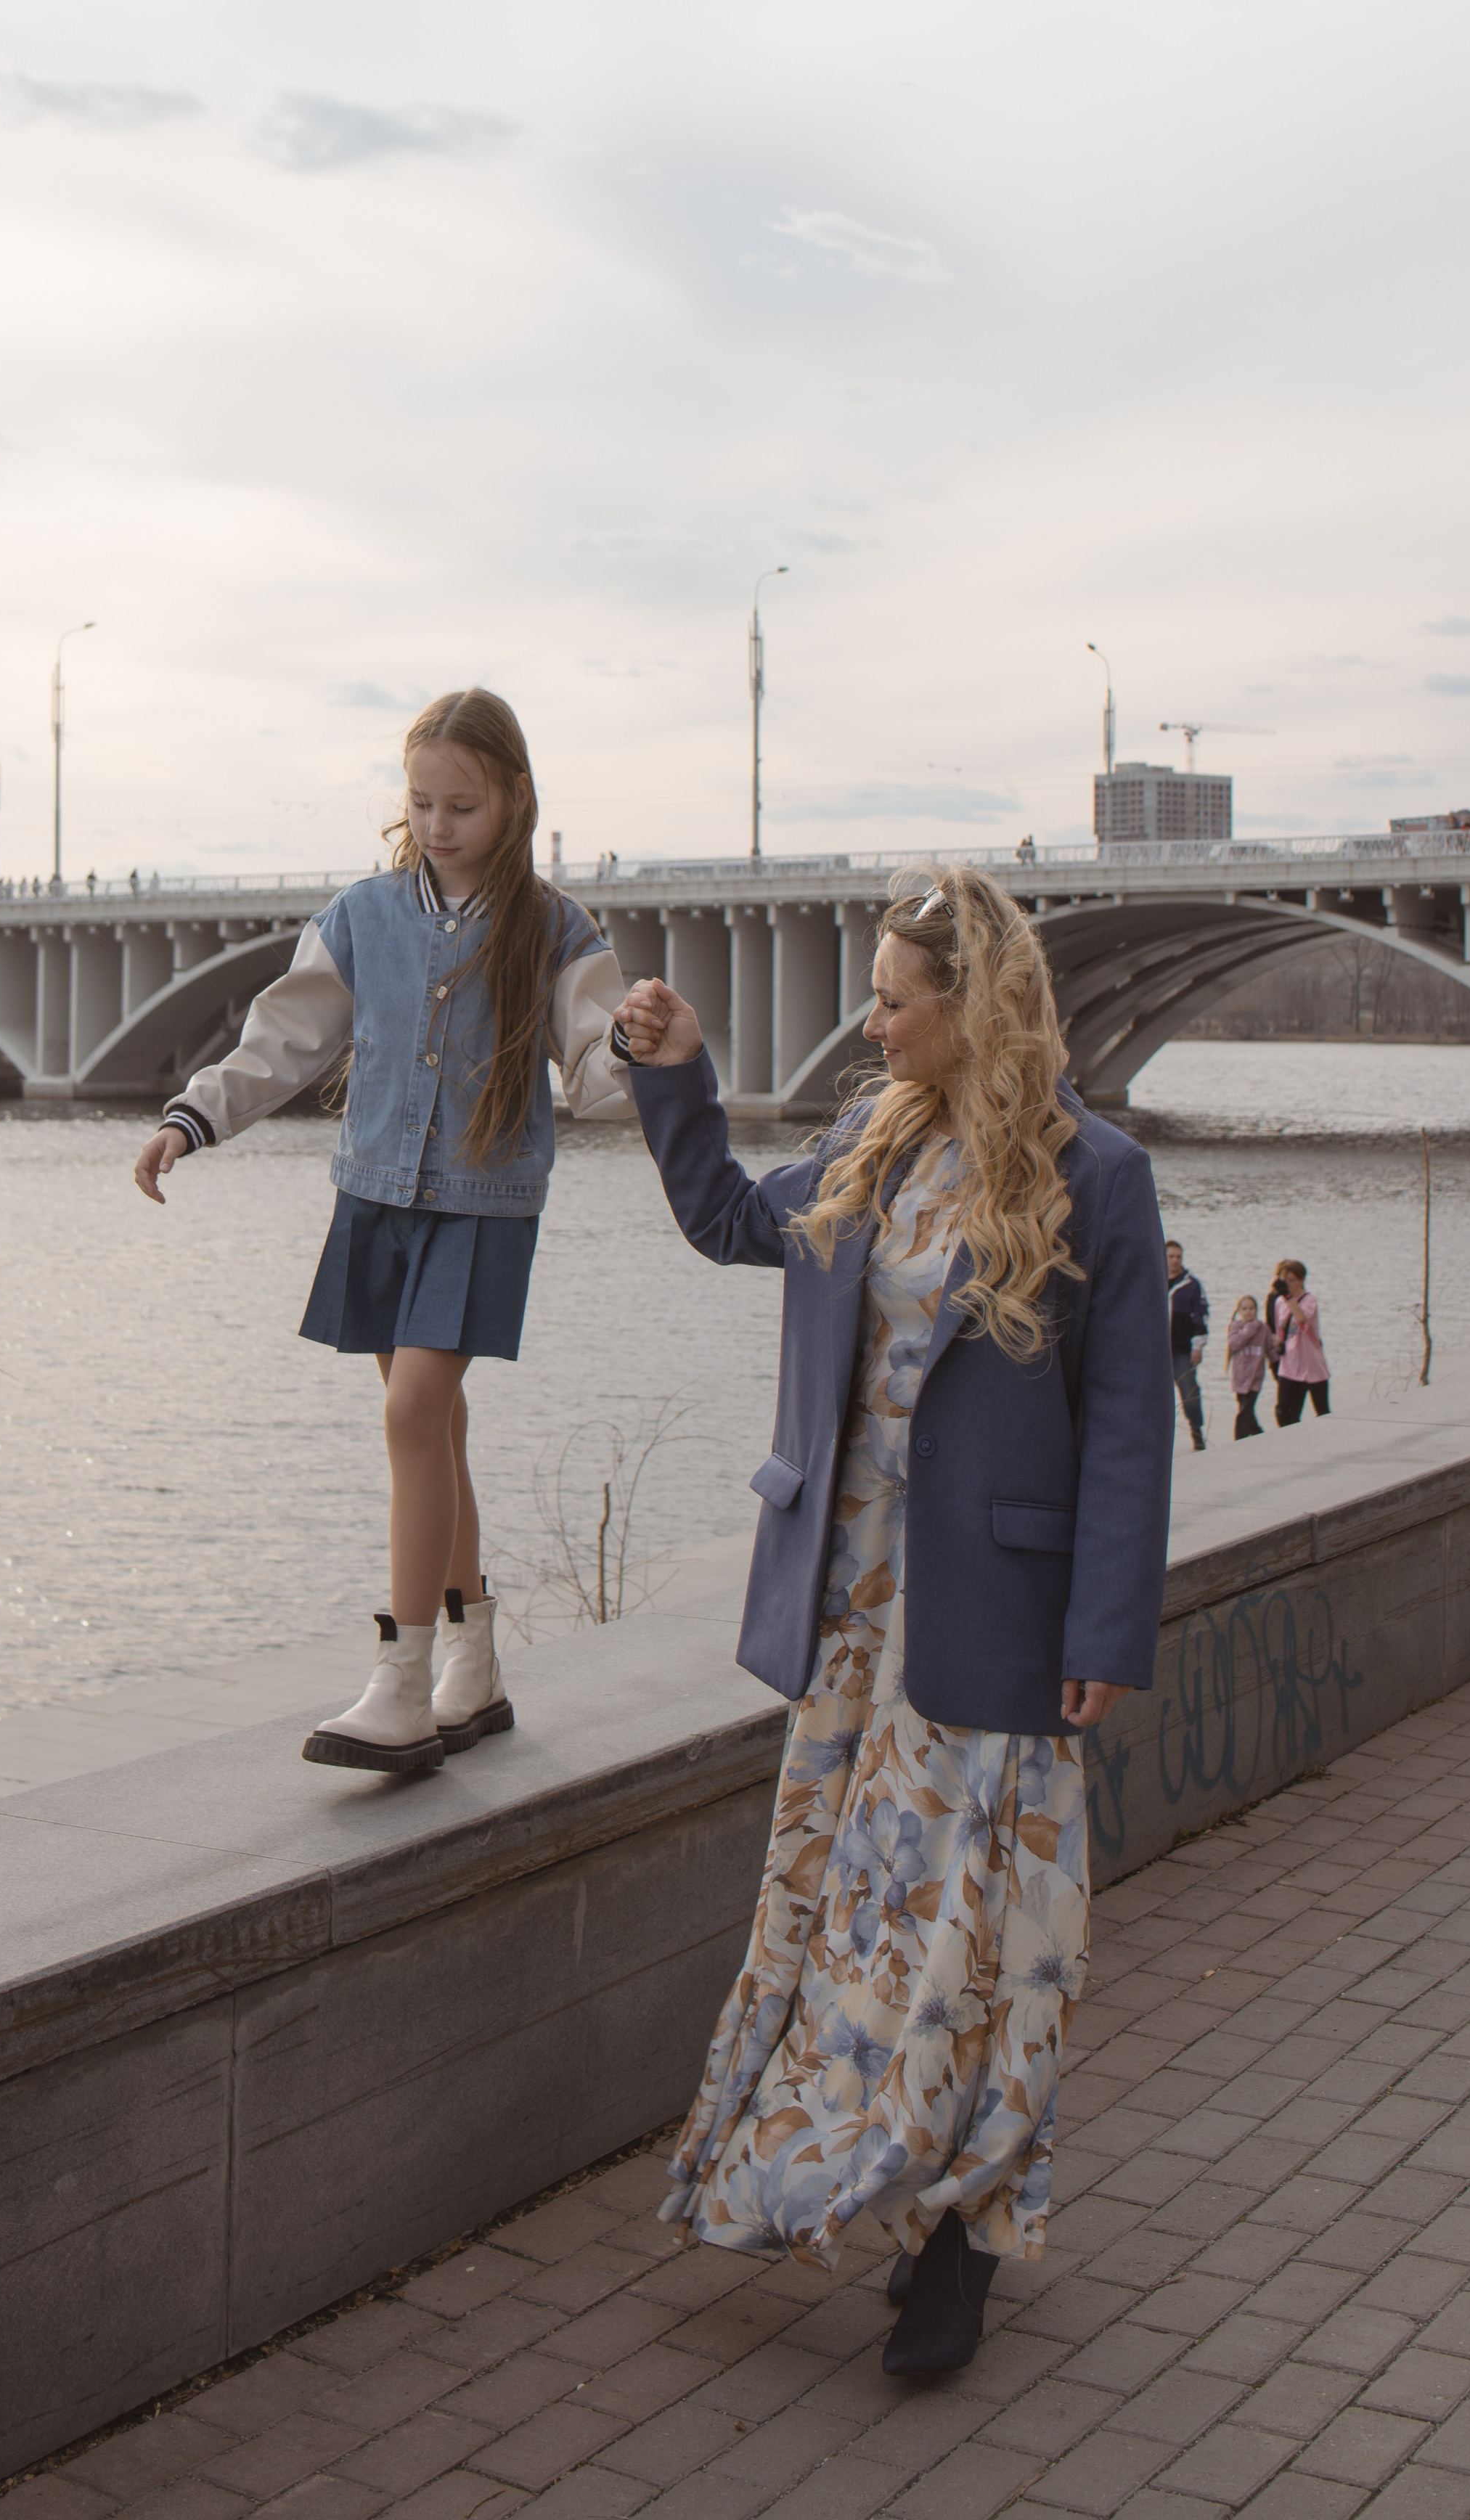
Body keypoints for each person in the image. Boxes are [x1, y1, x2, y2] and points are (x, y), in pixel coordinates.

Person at [614, 864, 1172, 2382]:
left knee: (978, 1944)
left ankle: (953, 2242)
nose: (868, 1023)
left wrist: (1105, 1625)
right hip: (850, 1615)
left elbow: (1126, 1420)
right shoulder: (870, 1143)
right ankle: (832, 2170)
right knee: (845, 1922)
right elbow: (730, 1217)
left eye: (890, 999)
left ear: (966, 1008)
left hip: (994, 1623)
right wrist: (673, 1075)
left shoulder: (1093, 1173)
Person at [132, 690, 633, 1772]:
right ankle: (474, 1662)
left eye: (464, 804)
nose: (442, 824)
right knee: (436, 1431)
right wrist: (193, 1119)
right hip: (375, 1197)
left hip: (480, 1203)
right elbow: (286, 1038)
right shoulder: (361, 915)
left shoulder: (554, 928)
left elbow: (597, 1074)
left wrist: (637, 1049)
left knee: (413, 1412)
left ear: (512, 799)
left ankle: (401, 1682)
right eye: (424, 802)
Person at [1272, 1260, 1330, 1423]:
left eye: (1292, 1280)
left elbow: (1301, 1319)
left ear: (1301, 1280)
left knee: (1323, 1412)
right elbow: (1280, 1330)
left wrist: (1290, 1298)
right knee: (1283, 1412)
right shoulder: (1279, 1303)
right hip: (1290, 1364)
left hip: (1312, 1364)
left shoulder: (1309, 1300)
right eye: (1286, 1281)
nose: (1288, 1284)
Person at [1167, 1240, 1209, 1451]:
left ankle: (1197, 1433)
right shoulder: (1153, 1281)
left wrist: (1198, 1346)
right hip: (1158, 1353)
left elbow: (1201, 1317)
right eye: (1171, 1256)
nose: (1175, 1261)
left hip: (1183, 1351)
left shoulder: (1191, 1285)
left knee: (1190, 1394)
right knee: (1158, 1399)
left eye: (1178, 1257)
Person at [1226, 1295, 1270, 1438]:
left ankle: (1240, 1439)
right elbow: (1234, 1344)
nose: (1248, 1312)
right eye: (1245, 1309)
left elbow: (1270, 1349)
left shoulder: (1263, 1328)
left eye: (1252, 1308)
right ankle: (1258, 1434)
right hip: (1240, 1377)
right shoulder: (1235, 1327)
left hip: (1256, 1377)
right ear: (1239, 1311)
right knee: (1246, 1410)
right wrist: (1250, 1328)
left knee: (1245, 1410)